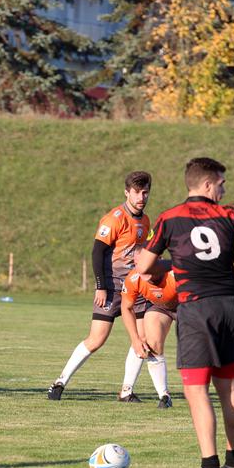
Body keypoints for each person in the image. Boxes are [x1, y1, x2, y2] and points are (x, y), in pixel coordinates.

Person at [138, 157, 234, 468]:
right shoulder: (230, 214)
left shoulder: (169, 218)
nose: (224, 188)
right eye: (221, 183)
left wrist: (173, 263)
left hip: (197, 310)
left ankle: (209, 467)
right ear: (206, 185)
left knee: (196, 391)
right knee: (228, 386)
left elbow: (144, 267)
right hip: (232, 308)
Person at [47, 171, 152, 401]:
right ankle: (59, 382)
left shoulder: (145, 221)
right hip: (112, 286)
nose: (141, 197)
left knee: (142, 338)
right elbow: (97, 252)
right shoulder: (114, 218)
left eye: (145, 192)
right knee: (96, 339)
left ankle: (126, 391)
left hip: (136, 287)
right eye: (136, 192)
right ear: (127, 192)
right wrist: (100, 286)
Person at [120, 261, 178, 408]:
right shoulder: (134, 278)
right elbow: (126, 308)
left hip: (188, 306)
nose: (142, 269)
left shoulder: (175, 274)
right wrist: (135, 339)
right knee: (152, 345)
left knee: (197, 348)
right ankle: (164, 396)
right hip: (161, 308)